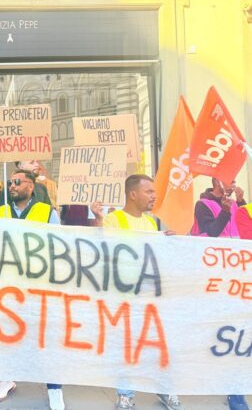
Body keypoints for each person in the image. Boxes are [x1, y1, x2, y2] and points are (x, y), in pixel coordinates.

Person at [98, 174, 183, 410]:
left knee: (160, 344)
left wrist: (167, 242)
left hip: (149, 296)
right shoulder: (113, 220)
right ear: (133, 194)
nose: (154, 196)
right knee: (126, 345)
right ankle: (125, 394)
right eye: (149, 192)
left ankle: (165, 388)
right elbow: (105, 252)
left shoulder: (151, 224)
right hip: (124, 296)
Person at [0, 169, 63, 410]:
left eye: (17, 182)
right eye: (10, 182)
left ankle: (54, 388)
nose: (11, 186)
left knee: (46, 336)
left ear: (31, 186)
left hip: (40, 284)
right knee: (9, 334)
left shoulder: (48, 212)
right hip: (10, 284)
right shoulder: (1, 211)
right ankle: (8, 377)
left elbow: (59, 245)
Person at [191, 178, 248, 410]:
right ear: (216, 180)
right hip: (216, 280)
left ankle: (236, 390)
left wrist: (241, 203)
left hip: (238, 279)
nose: (232, 183)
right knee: (222, 333)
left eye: (234, 179)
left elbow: (246, 233)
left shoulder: (237, 205)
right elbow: (212, 234)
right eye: (228, 178)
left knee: (239, 333)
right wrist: (225, 212)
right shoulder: (203, 205)